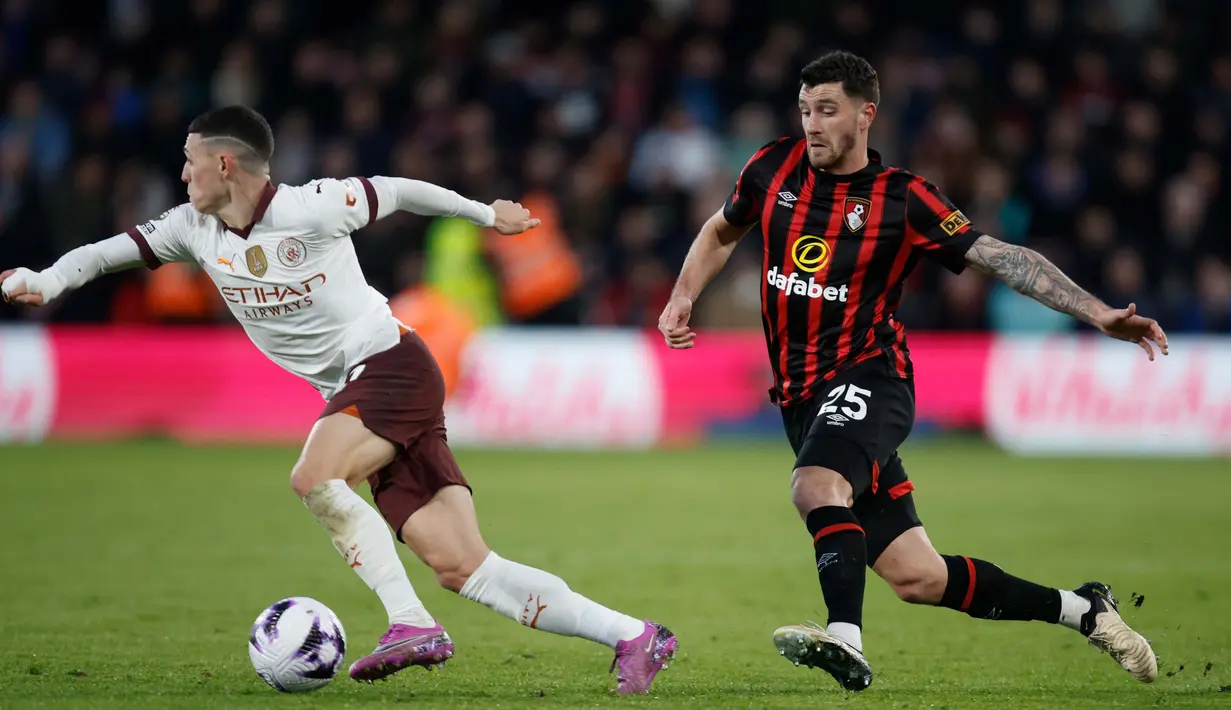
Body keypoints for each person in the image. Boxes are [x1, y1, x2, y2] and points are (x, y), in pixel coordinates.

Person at [1, 106, 677, 694]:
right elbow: (102, 255)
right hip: (367, 386)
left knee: (314, 476)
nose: (183, 176)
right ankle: (635, 636)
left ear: (226, 164)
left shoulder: (310, 206)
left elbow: (398, 189)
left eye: (190, 162)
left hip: (390, 364)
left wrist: (484, 214)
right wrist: (44, 278)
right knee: (464, 566)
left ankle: (410, 626)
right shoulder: (192, 229)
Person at [657, 51, 1165, 692]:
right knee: (918, 577)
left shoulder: (903, 198)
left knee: (814, 486)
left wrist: (1096, 313)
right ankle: (1086, 610)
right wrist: (682, 294)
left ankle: (844, 639)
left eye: (828, 110)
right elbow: (721, 232)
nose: (812, 124)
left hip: (874, 378)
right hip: (801, 398)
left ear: (866, 115)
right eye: (806, 109)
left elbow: (1000, 258)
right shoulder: (770, 167)